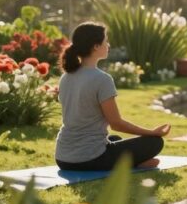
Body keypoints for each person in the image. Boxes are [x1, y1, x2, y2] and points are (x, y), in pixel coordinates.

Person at [55, 22, 170, 170]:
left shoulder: (66, 77)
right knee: (155, 142)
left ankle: (131, 163)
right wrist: (152, 133)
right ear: (96, 46)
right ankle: (133, 163)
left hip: (63, 158)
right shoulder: (102, 79)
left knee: (114, 139)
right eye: (106, 41)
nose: (108, 45)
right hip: (89, 158)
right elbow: (116, 124)